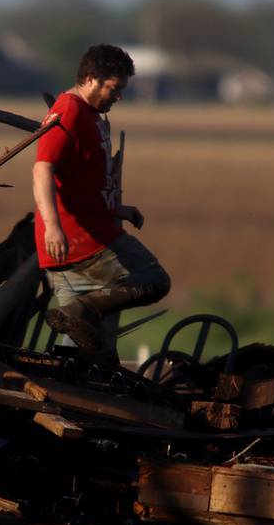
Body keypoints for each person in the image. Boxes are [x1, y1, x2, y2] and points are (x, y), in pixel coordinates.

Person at [32, 43, 170, 359]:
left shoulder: (92, 115)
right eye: (114, 88)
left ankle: (67, 390)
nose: (118, 96)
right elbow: (42, 169)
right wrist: (52, 227)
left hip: (77, 243)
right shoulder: (69, 112)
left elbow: (82, 182)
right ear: (91, 79)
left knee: (89, 349)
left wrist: (117, 209)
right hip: (82, 242)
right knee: (155, 279)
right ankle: (81, 310)